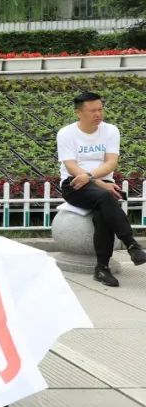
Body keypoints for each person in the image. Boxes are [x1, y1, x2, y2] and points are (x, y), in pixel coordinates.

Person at [57, 91, 146, 287]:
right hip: (74, 184)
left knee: (102, 213)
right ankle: (131, 244)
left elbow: (111, 163)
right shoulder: (66, 133)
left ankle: (102, 269)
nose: (98, 114)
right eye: (92, 111)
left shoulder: (110, 131)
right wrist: (99, 183)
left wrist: (94, 179)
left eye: (100, 109)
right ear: (79, 113)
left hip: (100, 184)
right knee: (106, 196)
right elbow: (72, 167)